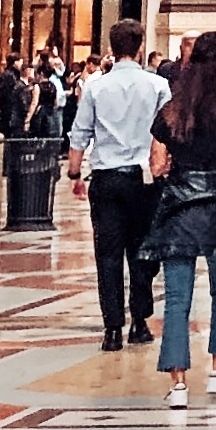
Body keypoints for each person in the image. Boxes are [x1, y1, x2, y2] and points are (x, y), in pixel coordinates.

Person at [147, 30, 216, 410]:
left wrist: (175, 163)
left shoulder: (172, 109)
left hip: (179, 206)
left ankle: (178, 385)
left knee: (177, 298)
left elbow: (156, 164)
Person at [68, 21, 166, 353]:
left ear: (112, 46)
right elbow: (166, 135)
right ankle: (140, 321)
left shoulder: (96, 88)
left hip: (107, 179)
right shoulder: (158, 86)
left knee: (108, 254)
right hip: (145, 179)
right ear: (139, 47)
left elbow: (80, 133)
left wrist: (74, 173)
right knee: (143, 250)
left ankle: (112, 327)